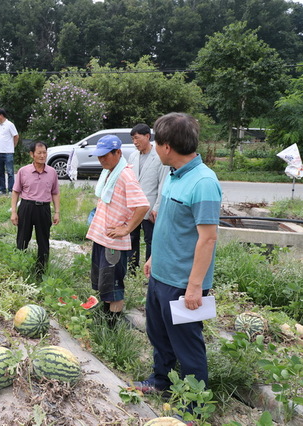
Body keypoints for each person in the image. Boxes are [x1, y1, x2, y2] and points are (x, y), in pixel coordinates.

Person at [135, 113, 221, 406]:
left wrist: (195, 287)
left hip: (183, 283)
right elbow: (169, 223)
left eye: (157, 141)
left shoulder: (204, 182)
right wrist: (153, 257)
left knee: (188, 347)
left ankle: (195, 405)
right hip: (161, 274)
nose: (155, 146)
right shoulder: (174, 174)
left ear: (168, 146)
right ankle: (161, 380)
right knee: (158, 335)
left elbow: (208, 238)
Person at [86, 135, 149, 326]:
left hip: (114, 243)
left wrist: (126, 229)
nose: (101, 160)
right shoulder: (109, 172)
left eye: (106, 155)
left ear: (118, 153)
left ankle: (112, 327)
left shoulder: (125, 176)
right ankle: (104, 318)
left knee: (113, 286)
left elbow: (143, 205)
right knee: (103, 282)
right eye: (99, 156)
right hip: (102, 239)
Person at [11, 141, 61, 275]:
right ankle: (19, 268)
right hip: (26, 207)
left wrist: (57, 212)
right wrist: (14, 212)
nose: (42, 155)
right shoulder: (23, 171)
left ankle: (41, 271)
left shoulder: (52, 172)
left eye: (44, 152)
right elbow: (16, 191)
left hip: (44, 209)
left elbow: (55, 192)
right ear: (32, 154)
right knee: (22, 238)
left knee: (43, 240)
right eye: (39, 153)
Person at [126, 123, 169, 272]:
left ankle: (150, 271)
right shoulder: (132, 156)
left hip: (151, 207)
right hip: (133, 206)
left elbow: (162, 184)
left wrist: (157, 207)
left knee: (151, 240)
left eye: (137, 138)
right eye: (132, 139)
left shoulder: (158, 157)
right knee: (132, 238)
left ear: (147, 136)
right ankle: (132, 269)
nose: (135, 142)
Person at [0, 108, 19, 196]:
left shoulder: (10, 125)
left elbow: (16, 136)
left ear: (1, 115)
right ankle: (2, 190)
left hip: (8, 152)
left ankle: (11, 190)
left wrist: (13, 146)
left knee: (10, 172)